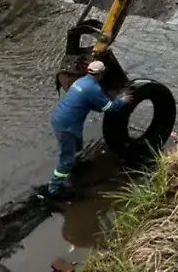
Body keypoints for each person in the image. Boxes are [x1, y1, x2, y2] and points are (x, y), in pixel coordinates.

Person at [47, 57, 132, 198]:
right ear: (100, 74)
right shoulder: (93, 88)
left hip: (63, 118)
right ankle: (55, 188)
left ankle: (78, 163)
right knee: (66, 158)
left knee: (78, 142)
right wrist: (123, 101)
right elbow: (109, 107)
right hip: (66, 126)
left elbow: (91, 104)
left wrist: (100, 105)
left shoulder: (82, 82)